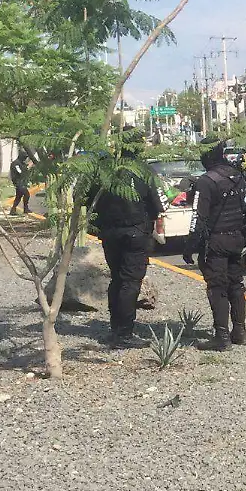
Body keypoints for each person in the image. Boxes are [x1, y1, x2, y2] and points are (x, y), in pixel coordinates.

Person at [90, 128, 165, 347]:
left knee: (117, 279)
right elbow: (156, 206)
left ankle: (116, 328)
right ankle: (123, 334)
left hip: (110, 234)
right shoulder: (143, 171)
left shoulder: (105, 170)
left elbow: (88, 201)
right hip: (135, 233)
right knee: (130, 282)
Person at [184, 136, 246, 351]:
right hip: (237, 238)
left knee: (217, 287)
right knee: (236, 284)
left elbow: (199, 219)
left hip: (216, 241)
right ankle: (240, 332)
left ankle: (221, 337)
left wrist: (190, 247)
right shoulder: (237, 176)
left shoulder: (206, 181)